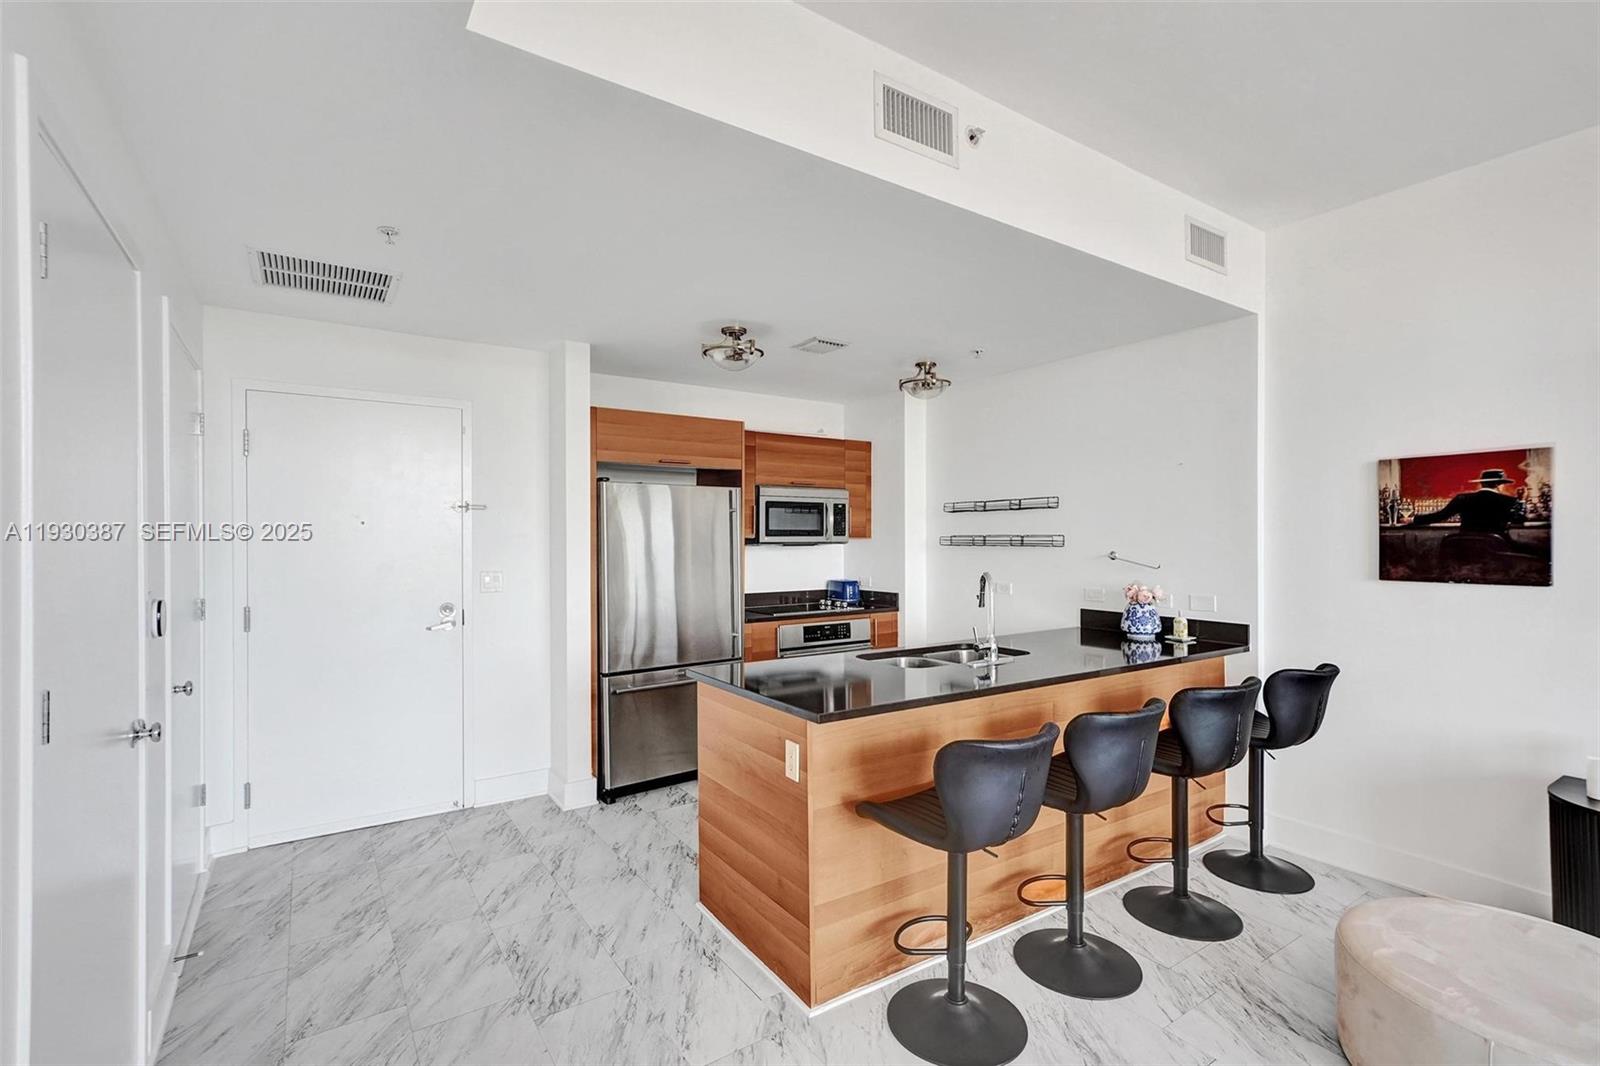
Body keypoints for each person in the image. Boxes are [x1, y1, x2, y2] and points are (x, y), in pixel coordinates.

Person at [1404, 468, 1526, 534]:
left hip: (1466, 547)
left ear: (1482, 483)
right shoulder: (1509, 501)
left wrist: (1413, 519)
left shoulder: (1462, 498)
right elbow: (1519, 519)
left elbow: (1440, 516)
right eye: (1503, 484)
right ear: (1499, 485)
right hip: (1497, 548)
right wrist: (1521, 500)